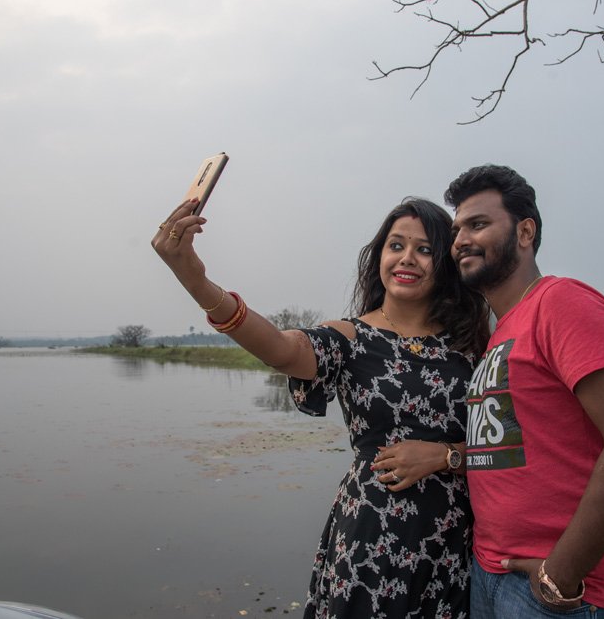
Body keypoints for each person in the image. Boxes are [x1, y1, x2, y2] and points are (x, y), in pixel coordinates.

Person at [152, 195, 490, 618]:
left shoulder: (473, 342)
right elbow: (280, 348)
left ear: (444, 263)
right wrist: (195, 280)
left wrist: (446, 456)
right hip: (373, 540)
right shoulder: (349, 339)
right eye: (396, 245)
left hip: (456, 543)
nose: (407, 258)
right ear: (379, 256)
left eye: (424, 249)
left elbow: (509, 446)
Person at [444, 165, 604, 619]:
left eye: (478, 224)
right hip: (491, 571)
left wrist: (560, 574)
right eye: (457, 230)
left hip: (559, 589)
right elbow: (513, 451)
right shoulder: (503, 330)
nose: (461, 240)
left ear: (525, 232)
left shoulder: (560, 303)